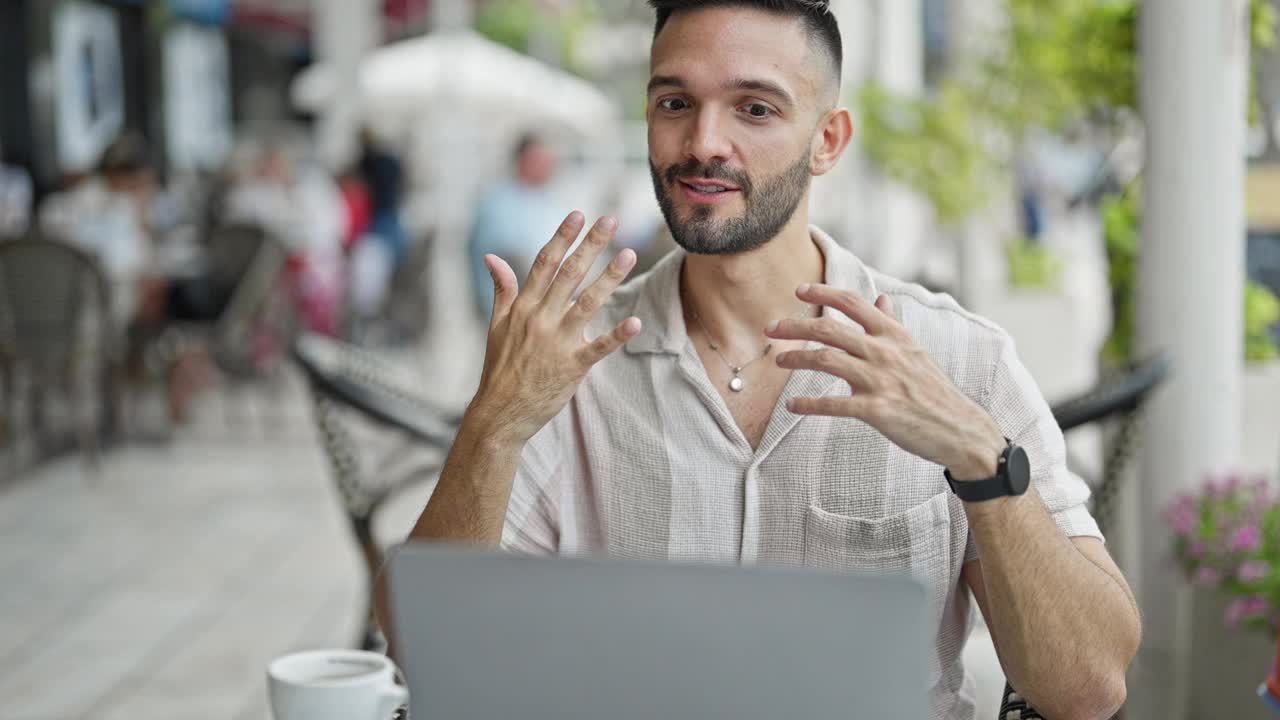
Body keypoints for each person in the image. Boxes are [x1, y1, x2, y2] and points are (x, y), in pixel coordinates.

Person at [384, 2, 1141, 718]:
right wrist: (494, 425)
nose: (705, 142)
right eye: (674, 103)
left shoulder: (956, 357)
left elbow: (1088, 689)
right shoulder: (568, 361)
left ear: (829, 140)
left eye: (755, 108)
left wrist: (981, 457)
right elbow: (419, 654)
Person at [467, 133, 567, 317]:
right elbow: (511, 258)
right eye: (540, 159)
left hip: (542, 306)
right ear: (522, 160)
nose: (548, 166)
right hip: (509, 312)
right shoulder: (498, 202)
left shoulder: (546, 199)